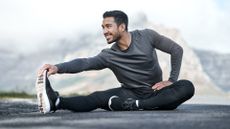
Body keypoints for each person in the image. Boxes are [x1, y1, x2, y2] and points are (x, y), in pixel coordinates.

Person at [36, 10, 194, 114]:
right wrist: (57, 67)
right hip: (128, 94)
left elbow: (176, 50)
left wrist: (171, 80)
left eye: (108, 26)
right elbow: (85, 63)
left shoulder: (147, 36)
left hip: (157, 94)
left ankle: (135, 105)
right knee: (96, 97)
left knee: (187, 86)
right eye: (103, 27)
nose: (104, 31)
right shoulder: (109, 55)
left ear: (122, 27)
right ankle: (55, 102)